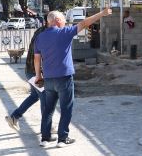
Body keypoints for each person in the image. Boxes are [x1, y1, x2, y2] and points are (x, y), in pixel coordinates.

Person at [34, 8, 112, 147]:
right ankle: (62, 138)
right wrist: (101, 14)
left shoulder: (40, 37)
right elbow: (84, 23)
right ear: (58, 21)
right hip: (64, 77)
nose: (65, 22)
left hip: (48, 79)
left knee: (48, 109)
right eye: (63, 19)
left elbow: (37, 59)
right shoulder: (64, 32)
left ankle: (45, 138)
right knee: (66, 107)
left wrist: (38, 76)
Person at [5, 24, 48, 130]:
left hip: (30, 71)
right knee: (45, 96)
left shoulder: (40, 31)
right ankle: (47, 126)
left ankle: (14, 116)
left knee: (34, 96)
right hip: (36, 72)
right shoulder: (46, 34)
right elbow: (40, 56)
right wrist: (41, 74)